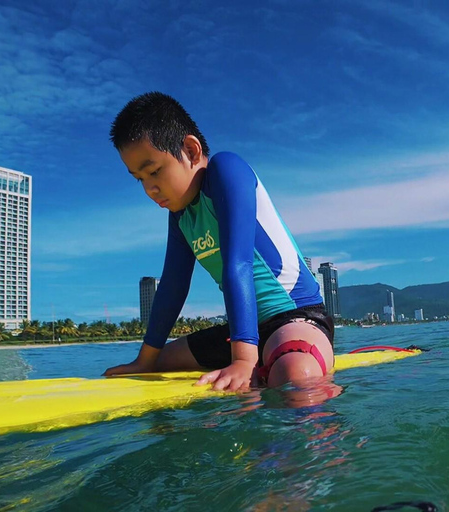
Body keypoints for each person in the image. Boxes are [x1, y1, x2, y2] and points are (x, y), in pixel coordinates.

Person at [103, 92, 335, 392]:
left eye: (155, 172)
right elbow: (173, 286)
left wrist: (243, 360)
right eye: (140, 179)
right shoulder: (181, 214)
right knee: (159, 365)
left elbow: (239, 263)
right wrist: (145, 361)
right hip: (244, 331)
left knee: (296, 375)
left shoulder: (227, 169)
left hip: (296, 318)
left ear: (191, 150)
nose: (150, 189)